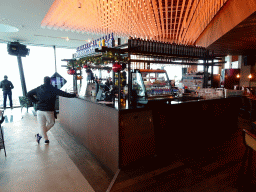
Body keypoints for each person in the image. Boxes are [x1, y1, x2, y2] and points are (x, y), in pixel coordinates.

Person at [27, 76, 77, 144]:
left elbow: (28, 94)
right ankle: (44, 138)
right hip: (48, 110)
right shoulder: (53, 89)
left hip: (39, 110)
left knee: (42, 125)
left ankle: (42, 136)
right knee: (51, 123)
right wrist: (74, 95)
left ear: (44, 81)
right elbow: (64, 94)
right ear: (50, 81)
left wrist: (35, 101)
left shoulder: (38, 88)